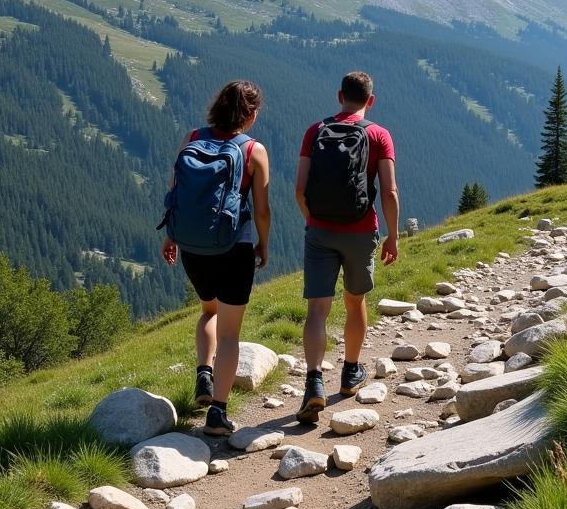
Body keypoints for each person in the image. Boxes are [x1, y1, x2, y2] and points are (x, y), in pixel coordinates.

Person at [161, 80, 271, 436]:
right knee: (230, 334)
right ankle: (218, 414)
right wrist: (263, 243)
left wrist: (171, 234)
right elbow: (263, 209)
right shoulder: (253, 150)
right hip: (234, 248)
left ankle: (203, 375)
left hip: (194, 247)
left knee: (208, 311)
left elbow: (174, 191)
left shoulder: (192, 138)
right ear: (251, 114)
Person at [294, 70, 399, 423]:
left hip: (319, 230)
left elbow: (299, 190)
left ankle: (313, 383)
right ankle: (351, 372)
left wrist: (314, 220)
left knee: (317, 310)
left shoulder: (315, 131)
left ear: (340, 96)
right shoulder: (379, 135)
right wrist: (393, 234)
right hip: (360, 231)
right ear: (371, 100)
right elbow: (389, 192)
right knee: (355, 302)